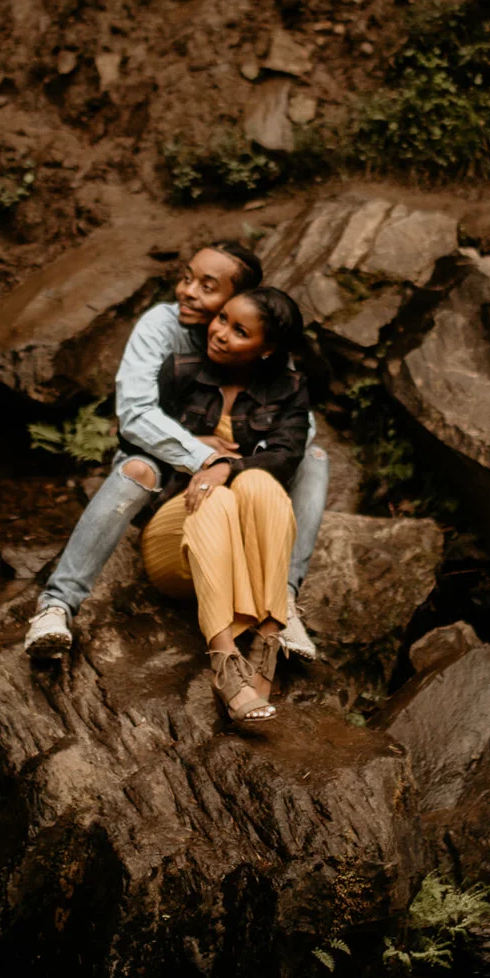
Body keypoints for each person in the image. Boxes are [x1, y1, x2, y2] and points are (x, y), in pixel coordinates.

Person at [23, 240, 329, 664]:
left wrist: (238, 462)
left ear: (242, 300)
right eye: (187, 278)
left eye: (208, 287)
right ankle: (56, 607)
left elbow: (299, 430)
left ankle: (285, 601)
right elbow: (134, 416)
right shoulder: (163, 330)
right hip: (166, 465)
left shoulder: (264, 340)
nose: (188, 292)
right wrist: (199, 451)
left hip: (238, 477)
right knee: (136, 469)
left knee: (314, 460)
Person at [135, 285, 309, 725]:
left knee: (260, 484)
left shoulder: (288, 388)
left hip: (234, 540)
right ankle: (225, 659)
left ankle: (266, 645)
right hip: (177, 535)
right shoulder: (180, 372)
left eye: (239, 330)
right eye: (222, 319)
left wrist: (227, 466)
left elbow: (287, 456)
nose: (220, 332)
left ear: (266, 349)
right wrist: (195, 451)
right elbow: (132, 436)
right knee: (216, 498)